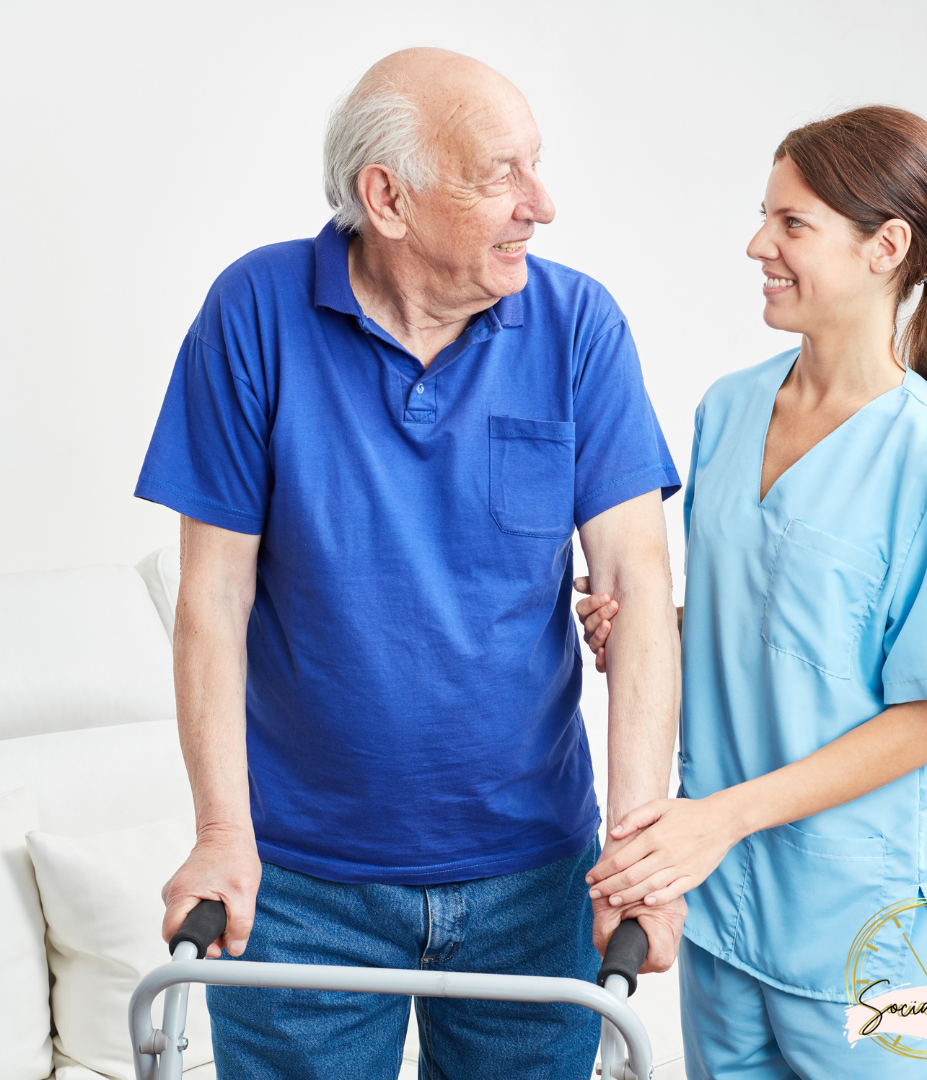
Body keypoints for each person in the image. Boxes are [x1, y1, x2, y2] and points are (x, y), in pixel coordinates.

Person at [135, 48, 684, 1079]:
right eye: (499, 175)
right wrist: (221, 831)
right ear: (386, 197)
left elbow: (637, 589)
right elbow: (212, 593)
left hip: (537, 878)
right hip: (303, 889)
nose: (543, 204)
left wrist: (638, 851)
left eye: (538, 164)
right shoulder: (253, 312)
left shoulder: (577, 326)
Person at [576, 106, 927, 1078]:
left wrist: (716, 817)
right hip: (728, 922)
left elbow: (925, 721)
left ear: (885, 246)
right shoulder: (726, 412)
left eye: (793, 224)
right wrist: (651, 632)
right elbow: (774, 621)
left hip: (877, 935)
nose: (758, 244)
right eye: (764, 216)